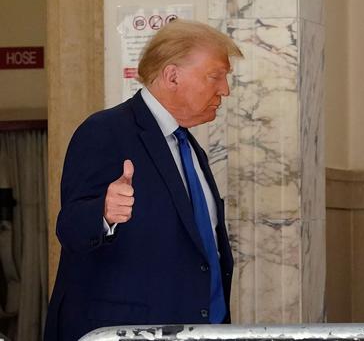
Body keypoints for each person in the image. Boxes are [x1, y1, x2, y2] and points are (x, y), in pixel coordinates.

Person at [44, 19, 243, 340]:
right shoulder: (105, 131)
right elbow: (70, 227)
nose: (225, 89)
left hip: (198, 330)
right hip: (126, 330)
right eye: (215, 76)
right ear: (172, 75)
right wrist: (104, 213)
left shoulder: (191, 148)